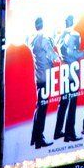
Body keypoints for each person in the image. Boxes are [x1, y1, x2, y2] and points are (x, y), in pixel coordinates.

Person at [53, 15, 84, 142]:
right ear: (73, 22)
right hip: (72, 72)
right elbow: (73, 53)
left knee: (63, 102)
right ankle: (69, 134)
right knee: (72, 103)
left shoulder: (59, 36)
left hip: (64, 72)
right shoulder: (75, 35)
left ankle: (57, 132)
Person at [27, 17, 58, 148]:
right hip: (46, 77)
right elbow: (52, 56)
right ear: (43, 25)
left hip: (38, 77)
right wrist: (60, 58)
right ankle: (39, 138)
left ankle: (34, 138)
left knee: (39, 106)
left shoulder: (31, 40)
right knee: (42, 107)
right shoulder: (44, 39)